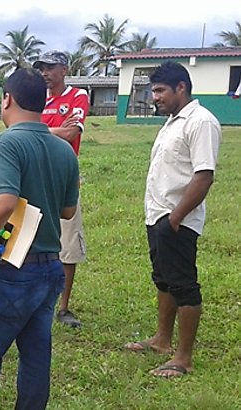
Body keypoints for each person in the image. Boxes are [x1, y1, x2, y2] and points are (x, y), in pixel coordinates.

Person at [0, 68, 79, 410]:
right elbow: (68, 211)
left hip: (13, 270)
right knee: (35, 353)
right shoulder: (63, 150)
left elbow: (3, 202)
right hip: (50, 270)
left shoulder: (6, 142)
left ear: (7, 99)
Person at [124, 61, 221, 378]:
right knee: (163, 278)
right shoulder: (172, 122)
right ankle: (162, 341)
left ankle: (183, 358)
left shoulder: (200, 122)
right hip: (158, 216)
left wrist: (176, 218)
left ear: (182, 88)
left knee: (183, 284)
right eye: (153, 91)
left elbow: (203, 176)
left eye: (160, 90)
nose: (155, 97)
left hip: (177, 219)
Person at [34, 50, 90, 328]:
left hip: (65, 179)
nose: (45, 72)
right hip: (34, 178)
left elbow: (71, 134)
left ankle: (63, 307)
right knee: (28, 238)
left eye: (50, 67)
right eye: (42, 68)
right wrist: (54, 130)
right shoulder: (35, 96)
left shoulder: (77, 96)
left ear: (64, 69)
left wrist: (37, 129)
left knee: (67, 244)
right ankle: (33, 298)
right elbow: (15, 126)